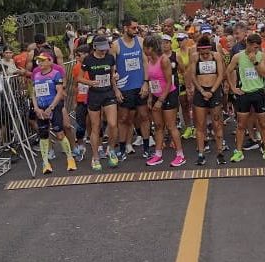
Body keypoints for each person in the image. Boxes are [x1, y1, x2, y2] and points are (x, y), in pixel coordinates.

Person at [226, 33, 265, 165]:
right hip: (244, 94)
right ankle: (238, 151)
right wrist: (233, 88)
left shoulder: (261, 55)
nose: (256, 49)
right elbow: (228, 71)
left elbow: (263, 73)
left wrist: (255, 61)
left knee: (263, 123)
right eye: (254, 47)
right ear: (248, 44)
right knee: (241, 125)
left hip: (258, 92)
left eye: (258, 47)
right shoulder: (238, 56)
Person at [112, 17, 151, 158]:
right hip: (125, 88)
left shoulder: (140, 42)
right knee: (123, 119)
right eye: (133, 28)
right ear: (125, 28)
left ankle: (146, 148)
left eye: (137, 28)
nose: (136, 30)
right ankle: (122, 149)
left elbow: (146, 63)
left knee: (144, 116)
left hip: (139, 86)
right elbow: (112, 69)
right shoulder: (116, 45)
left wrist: (146, 82)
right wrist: (116, 89)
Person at [79, 37, 120, 171]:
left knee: (113, 124)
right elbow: (79, 78)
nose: (103, 52)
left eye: (105, 49)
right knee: (96, 127)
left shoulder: (110, 58)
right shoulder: (88, 60)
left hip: (108, 93)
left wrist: (116, 86)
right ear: (95, 47)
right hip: (94, 95)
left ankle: (112, 150)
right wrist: (90, 83)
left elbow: (113, 74)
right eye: (101, 49)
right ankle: (95, 157)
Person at [31, 52, 75, 175]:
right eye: (38, 61)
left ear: (50, 61)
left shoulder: (55, 74)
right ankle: (45, 162)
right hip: (41, 108)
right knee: (43, 135)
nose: (40, 63)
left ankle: (70, 158)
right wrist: (36, 107)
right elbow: (33, 93)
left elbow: (60, 92)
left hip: (53, 107)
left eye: (43, 60)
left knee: (59, 133)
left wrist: (51, 107)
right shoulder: (36, 75)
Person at [144, 35, 185, 167]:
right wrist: (151, 97)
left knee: (171, 126)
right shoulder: (150, 60)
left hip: (168, 95)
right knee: (158, 126)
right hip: (156, 95)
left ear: (150, 48)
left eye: (145, 47)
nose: (143, 50)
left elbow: (169, 82)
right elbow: (151, 80)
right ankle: (158, 154)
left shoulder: (164, 60)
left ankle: (180, 155)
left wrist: (161, 99)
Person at [187, 36, 226, 166]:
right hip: (201, 92)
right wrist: (202, 91)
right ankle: (201, 153)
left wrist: (212, 91)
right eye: (202, 53)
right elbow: (193, 75)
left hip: (213, 92)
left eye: (206, 53)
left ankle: (220, 151)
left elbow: (221, 75)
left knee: (217, 123)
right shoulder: (194, 57)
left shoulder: (216, 56)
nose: (204, 55)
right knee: (200, 124)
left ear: (210, 49)